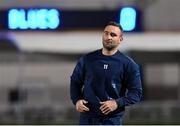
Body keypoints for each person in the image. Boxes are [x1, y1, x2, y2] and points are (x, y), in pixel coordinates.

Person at [70, 21, 142, 125]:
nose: (108, 37)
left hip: (112, 120)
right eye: (106, 33)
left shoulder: (128, 64)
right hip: (87, 118)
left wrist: (116, 103)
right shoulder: (87, 60)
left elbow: (136, 93)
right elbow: (75, 81)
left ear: (120, 39)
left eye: (113, 35)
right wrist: (77, 100)